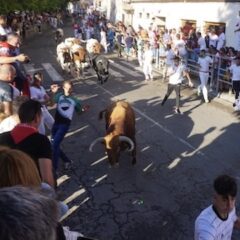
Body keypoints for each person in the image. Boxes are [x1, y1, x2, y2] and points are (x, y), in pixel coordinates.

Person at [0, 99, 54, 187]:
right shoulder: (41, 141)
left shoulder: (2, 137)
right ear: (37, 117)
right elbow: (47, 180)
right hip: (31, 193)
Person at [50, 80, 89, 172]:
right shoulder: (59, 96)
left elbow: (79, 112)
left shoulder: (75, 100)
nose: (69, 90)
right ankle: (67, 161)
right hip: (56, 124)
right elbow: (50, 103)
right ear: (63, 88)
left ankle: (53, 169)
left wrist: (84, 110)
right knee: (54, 144)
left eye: (70, 88)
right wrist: (52, 93)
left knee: (54, 145)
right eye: (67, 88)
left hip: (64, 125)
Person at [195, 175, 240, 239]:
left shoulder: (230, 210)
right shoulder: (206, 226)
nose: (230, 205)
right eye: (224, 200)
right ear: (215, 197)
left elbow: (234, 221)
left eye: (232, 199)